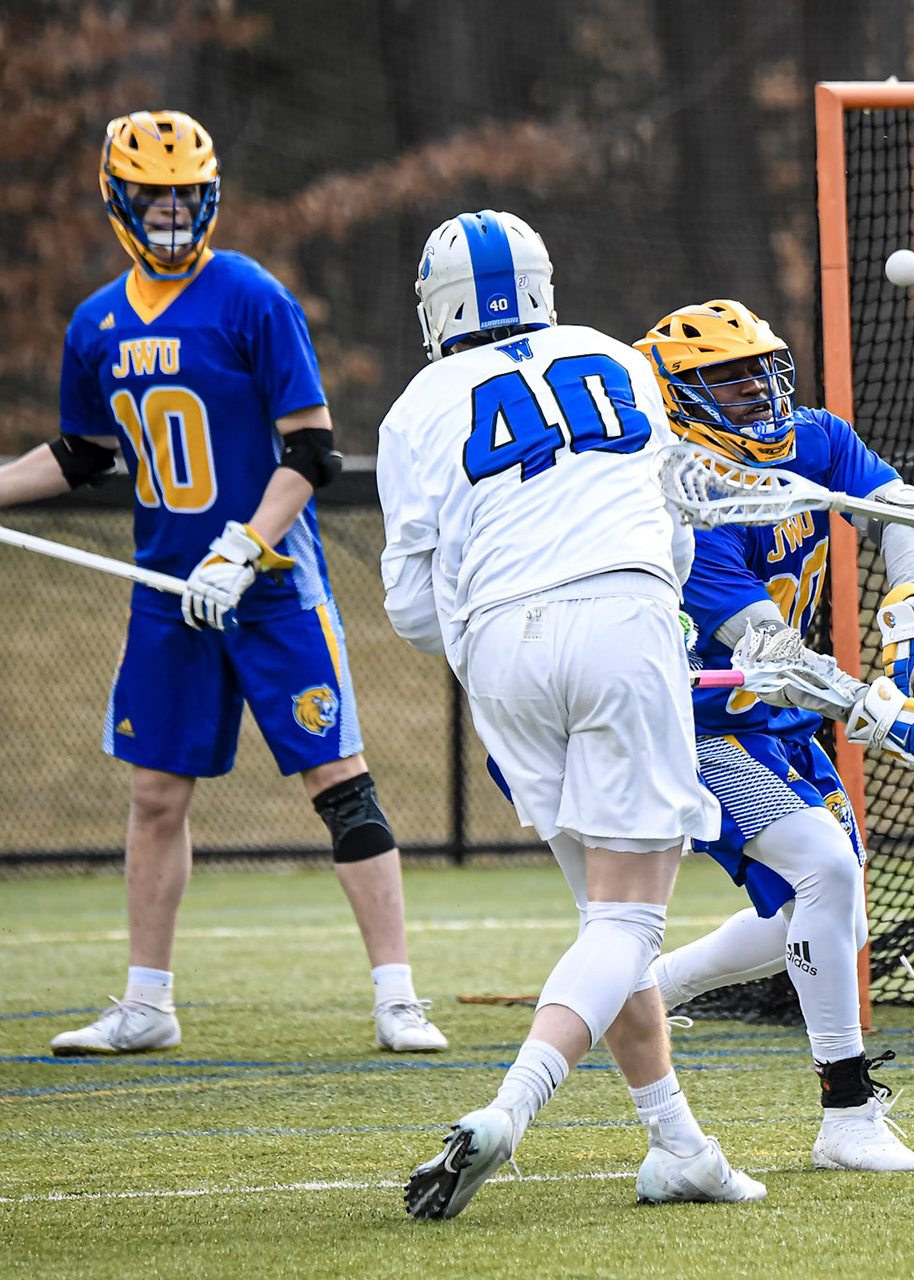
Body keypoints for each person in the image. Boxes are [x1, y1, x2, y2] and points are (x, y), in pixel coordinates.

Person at [0, 110, 442, 1057]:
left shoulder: (249, 294)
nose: (171, 212)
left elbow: (312, 449)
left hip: (270, 585)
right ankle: (148, 1003)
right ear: (120, 200)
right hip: (167, 595)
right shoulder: (96, 322)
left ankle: (398, 998)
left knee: (340, 783)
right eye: (154, 196)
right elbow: (81, 455)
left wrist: (245, 546)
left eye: (186, 195)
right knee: (156, 794)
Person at [381, 216, 760, 1216]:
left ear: (439, 308)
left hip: (500, 647)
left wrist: (494, 616)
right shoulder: (613, 358)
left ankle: (677, 1142)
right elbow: (675, 531)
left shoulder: (416, 404)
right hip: (623, 616)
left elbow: (416, 610)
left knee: (607, 926)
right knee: (630, 918)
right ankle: (509, 1106)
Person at [634, 299, 914, 1173]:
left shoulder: (814, 440)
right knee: (825, 872)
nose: (756, 388)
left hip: (780, 722)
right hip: (707, 727)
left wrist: (913, 614)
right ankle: (847, 1117)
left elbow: (905, 508)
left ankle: (649, 987)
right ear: (677, 395)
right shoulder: (676, 501)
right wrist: (881, 711)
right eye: (727, 377)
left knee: (829, 917)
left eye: (761, 368)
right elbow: (770, 652)